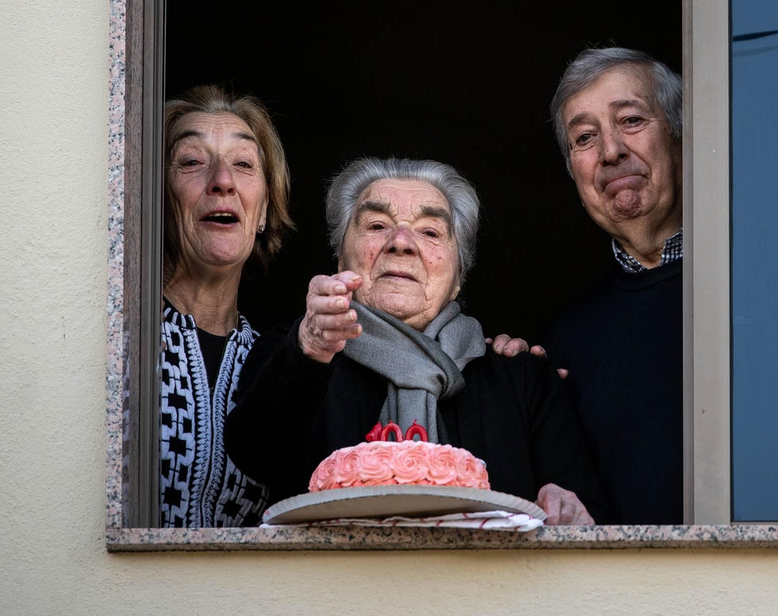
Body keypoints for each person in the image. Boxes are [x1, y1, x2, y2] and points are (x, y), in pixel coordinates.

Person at [226, 157, 604, 525]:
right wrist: (309, 347)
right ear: (341, 259)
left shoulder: (523, 379)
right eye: (376, 225)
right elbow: (255, 457)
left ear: (459, 275)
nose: (401, 243)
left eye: (429, 232)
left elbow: (587, 518)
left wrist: (568, 510)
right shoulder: (298, 351)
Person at [496, 47, 684, 524]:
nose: (612, 151)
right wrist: (505, 386)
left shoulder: (760, 286)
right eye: (585, 137)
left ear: (682, 135)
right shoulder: (563, 345)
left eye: (632, 120)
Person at [159, 84, 295, 528]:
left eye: (243, 164)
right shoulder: (115, 337)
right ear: (156, 198)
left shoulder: (282, 362)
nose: (222, 180)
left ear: (262, 212)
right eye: (193, 162)